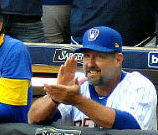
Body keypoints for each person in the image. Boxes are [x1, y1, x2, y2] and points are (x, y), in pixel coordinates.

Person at [28, 26, 157, 129]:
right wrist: (55, 96)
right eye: (86, 56)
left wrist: (77, 100)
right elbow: (33, 119)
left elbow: (132, 127)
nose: (90, 64)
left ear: (118, 59)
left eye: (99, 56)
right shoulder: (79, 86)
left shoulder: (139, 85)